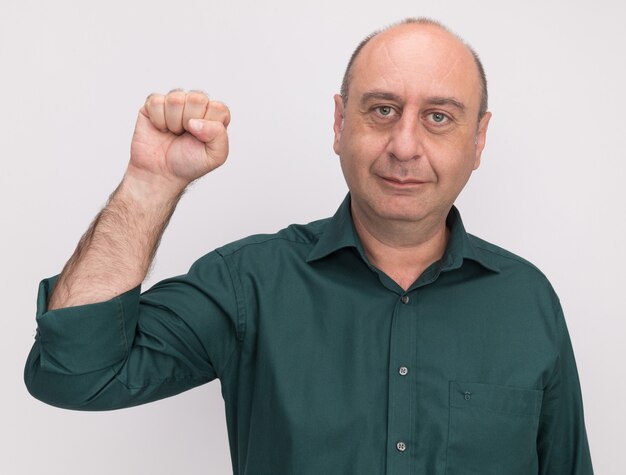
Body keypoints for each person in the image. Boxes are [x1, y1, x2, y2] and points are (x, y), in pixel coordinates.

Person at [24, 17, 593, 474]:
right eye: (383, 109)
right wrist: (150, 185)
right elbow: (75, 372)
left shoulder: (526, 300)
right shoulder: (249, 283)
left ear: (479, 139)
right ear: (341, 122)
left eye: (439, 117)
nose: (404, 145)